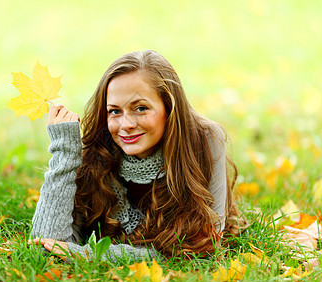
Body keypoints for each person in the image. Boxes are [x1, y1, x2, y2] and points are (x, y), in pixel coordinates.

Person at [29, 50, 244, 262]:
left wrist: (88, 255)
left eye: (141, 108)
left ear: (169, 108)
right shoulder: (98, 151)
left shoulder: (204, 140)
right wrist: (64, 154)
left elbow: (203, 246)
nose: (126, 125)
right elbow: (45, 245)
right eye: (114, 111)